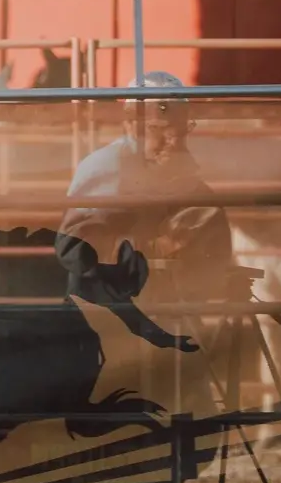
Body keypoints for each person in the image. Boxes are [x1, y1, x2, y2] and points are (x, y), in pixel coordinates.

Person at [54, 71, 226, 350]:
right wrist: (153, 247)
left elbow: (212, 247)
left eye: (181, 129)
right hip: (110, 323)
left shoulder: (184, 174)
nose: (175, 139)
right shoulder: (106, 169)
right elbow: (74, 250)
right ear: (134, 126)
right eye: (163, 129)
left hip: (165, 317)